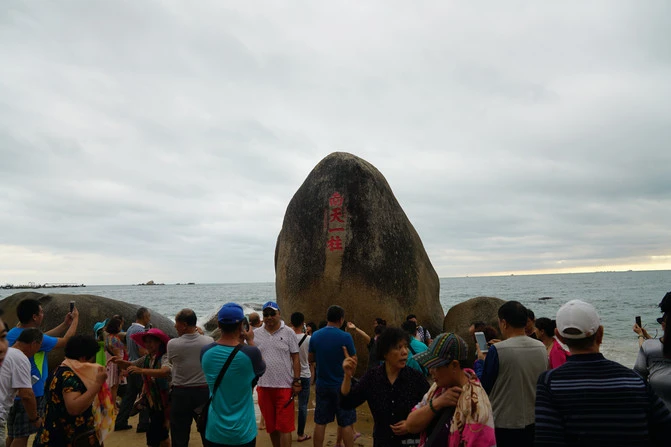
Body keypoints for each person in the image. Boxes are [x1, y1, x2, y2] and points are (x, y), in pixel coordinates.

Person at [535, 299, 671, 446]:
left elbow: (547, 439)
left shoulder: (549, 382)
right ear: (600, 333)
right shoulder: (635, 380)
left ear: (559, 336)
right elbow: (664, 431)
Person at [6, 299, 79, 447]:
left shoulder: (14, 333)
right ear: (34, 317)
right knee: (23, 436)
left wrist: (65, 324)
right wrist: (76, 319)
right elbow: (66, 341)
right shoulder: (33, 339)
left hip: (11, 392)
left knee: (13, 433)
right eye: (41, 312)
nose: (43, 314)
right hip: (31, 392)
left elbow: (43, 337)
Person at [340, 327, 429, 446]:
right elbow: (347, 402)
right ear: (385, 353)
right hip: (382, 441)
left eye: (406, 346)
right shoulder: (372, 378)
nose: (405, 352)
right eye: (398, 347)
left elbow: (431, 409)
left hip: (411, 442)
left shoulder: (416, 378)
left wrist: (411, 425)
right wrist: (347, 376)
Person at [474, 301, 547, 447]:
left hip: (504, 422)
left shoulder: (498, 350)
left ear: (504, 323)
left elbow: (484, 386)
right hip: (535, 420)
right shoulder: (541, 347)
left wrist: (481, 361)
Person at [406, 333, 496, 447]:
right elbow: (410, 425)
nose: (430, 371)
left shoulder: (476, 406)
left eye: (436, 366)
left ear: (454, 365)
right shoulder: (438, 388)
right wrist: (437, 403)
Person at [201, 302, 266, 447]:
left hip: (215, 429)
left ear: (218, 324)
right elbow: (261, 368)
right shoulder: (251, 353)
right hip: (243, 430)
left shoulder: (205, 352)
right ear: (242, 325)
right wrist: (249, 340)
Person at [35, 335, 110, 447]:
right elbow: (74, 408)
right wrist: (97, 384)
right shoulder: (69, 377)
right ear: (83, 358)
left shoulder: (60, 369)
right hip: (66, 438)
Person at [253, 301, 301, 447]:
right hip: (263, 386)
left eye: (272, 313)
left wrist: (297, 381)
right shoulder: (256, 334)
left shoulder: (289, 332)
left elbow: (295, 357)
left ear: (279, 314)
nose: (269, 317)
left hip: (284, 387)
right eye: (266, 314)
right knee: (271, 427)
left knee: (285, 427)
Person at [308, 305, 357, 447]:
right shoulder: (345, 337)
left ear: (327, 318)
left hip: (323, 385)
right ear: (341, 319)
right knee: (346, 423)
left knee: (320, 422)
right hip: (343, 386)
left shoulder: (316, 335)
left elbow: (310, 358)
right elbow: (353, 360)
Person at [114, 328, 172, 447]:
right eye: (146, 342)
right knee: (160, 434)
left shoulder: (165, 356)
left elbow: (165, 371)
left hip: (165, 401)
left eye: (151, 341)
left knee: (157, 435)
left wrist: (142, 371)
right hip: (153, 402)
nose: (147, 344)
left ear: (159, 342)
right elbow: (132, 364)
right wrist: (118, 362)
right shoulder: (147, 358)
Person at [168, 309, 214, 447]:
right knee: (207, 431)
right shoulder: (209, 341)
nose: (175, 326)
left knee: (179, 434)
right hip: (203, 392)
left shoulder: (173, 344)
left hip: (181, 392)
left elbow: (171, 362)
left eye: (177, 323)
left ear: (184, 325)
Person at [0, 329, 43, 447]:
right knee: (20, 437)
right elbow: (27, 395)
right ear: (34, 344)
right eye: (39, 346)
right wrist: (35, 419)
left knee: (11, 435)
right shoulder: (20, 358)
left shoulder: (6, 354)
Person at [116, 306, 151, 432]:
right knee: (145, 395)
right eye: (148, 316)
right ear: (144, 316)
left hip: (131, 365)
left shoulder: (130, 329)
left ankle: (120, 421)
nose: (149, 319)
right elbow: (142, 350)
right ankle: (143, 424)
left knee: (129, 396)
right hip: (140, 367)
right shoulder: (140, 330)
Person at [634, 292, 671, 410]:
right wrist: (646, 336)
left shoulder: (650, 347)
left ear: (663, 326)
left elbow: (648, 349)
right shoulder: (652, 347)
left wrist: (640, 335)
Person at [288, 312, 312, 443]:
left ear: (291, 323)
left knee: (288, 404)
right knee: (303, 405)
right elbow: (311, 356)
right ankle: (301, 434)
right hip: (304, 375)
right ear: (303, 322)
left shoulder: (288, 338)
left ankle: (287, 430)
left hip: (290, 375)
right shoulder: (308, 339)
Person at [104, 317, 126, 404]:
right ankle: (114, 407)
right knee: (114, 387)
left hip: (109, 363)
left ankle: (110, 405)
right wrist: (122, 368)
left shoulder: (107, 337)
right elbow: (118, 355)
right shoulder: (115, 339)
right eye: (120, 325)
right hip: (115, 364)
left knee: (110, 386)